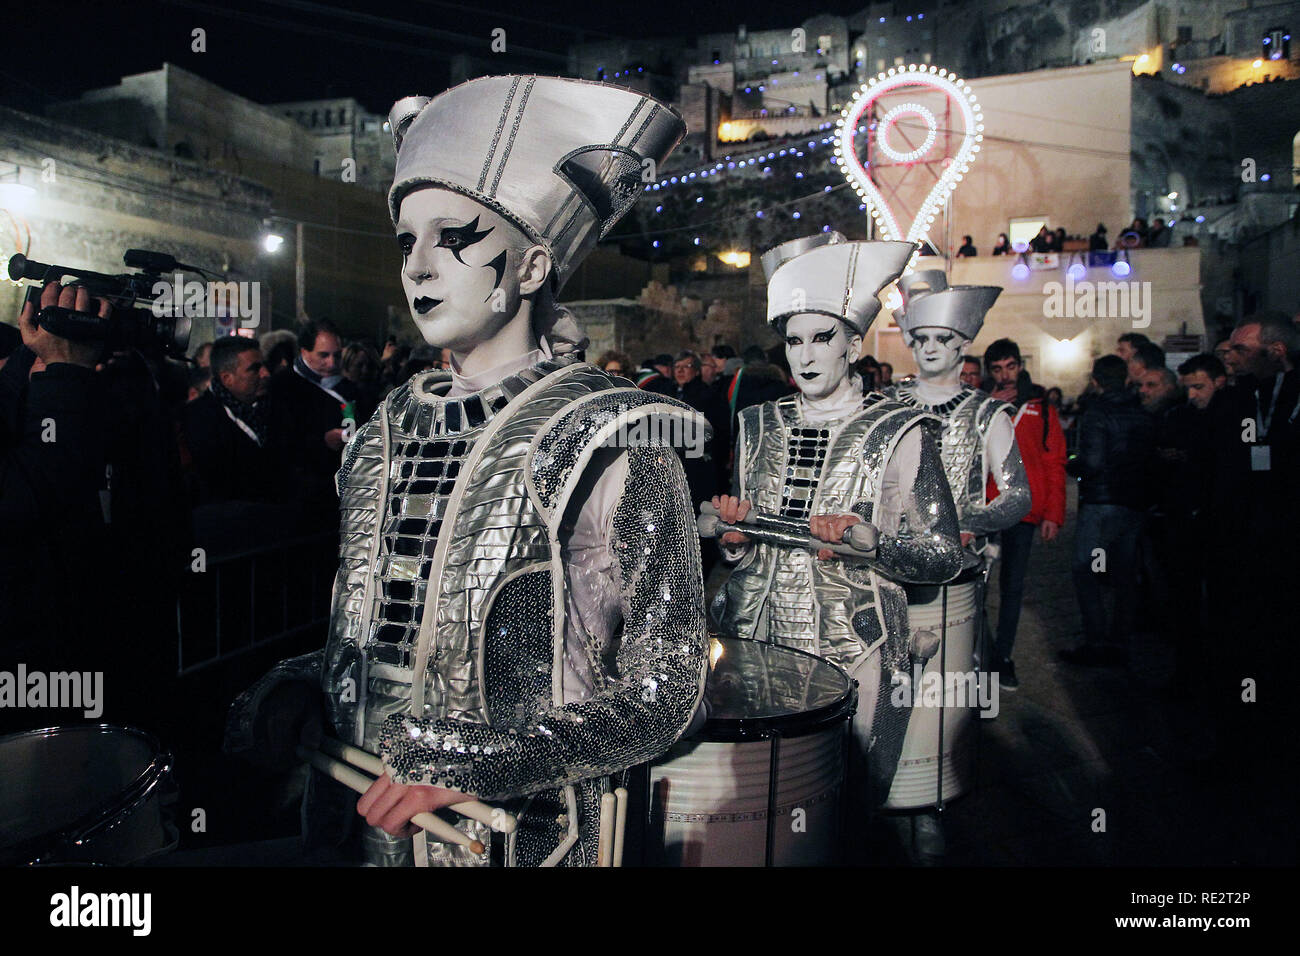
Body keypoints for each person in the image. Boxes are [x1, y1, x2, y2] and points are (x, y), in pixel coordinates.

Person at [227, 74, 707, 868]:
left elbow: (669, 691)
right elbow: (387, 651)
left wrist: (480, 762)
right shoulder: (385, 430)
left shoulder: (612, 432)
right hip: (357, 830)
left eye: (452, 235)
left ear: (529, 267)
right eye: (405, 240)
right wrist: (296, 687)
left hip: (517, 838)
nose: (417, 266)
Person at [711, 234, 963, 840]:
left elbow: (944, 554)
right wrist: (735, 540)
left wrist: (874, 544)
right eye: (793, 339)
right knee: (766, 809)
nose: (804, 354)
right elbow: (747, 536)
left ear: (853, 343)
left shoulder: (903, 429)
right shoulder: (755, 423)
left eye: (821, 337)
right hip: (756, 638)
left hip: (860, 649)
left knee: (847, 815)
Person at [1060, 355, 1155, 665]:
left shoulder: (1097, 413)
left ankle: (1097, 642)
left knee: (1084, 569)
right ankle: (1120, 641)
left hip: (1102, 501)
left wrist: (1070, 463)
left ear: (1097, 380)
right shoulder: (1141, 411)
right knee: (1124, 574)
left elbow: (1093, 462)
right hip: (1134, 501)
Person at [983, 338, 1066, 691]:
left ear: (1020, 365)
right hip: (985, 507)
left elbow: (1054, 461)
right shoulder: (980, 403)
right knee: (977, 586)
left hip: (1025, 509)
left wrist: (1054, 513)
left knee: (1012, 588)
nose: (1005, 376)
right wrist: (986, 410)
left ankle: (1002, 658)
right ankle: (980, 653)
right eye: (998, 369)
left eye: (1010, 367)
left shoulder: (1042, 407)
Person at [267, 318, 361, 524]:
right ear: (304, 352)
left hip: (340, 488)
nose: (332, 363)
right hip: (300, 491)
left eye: (337, 355)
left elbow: (353, 420)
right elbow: (279, 442)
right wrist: (321, 442)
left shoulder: (347, 388)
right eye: (323, 355)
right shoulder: (282, 386)